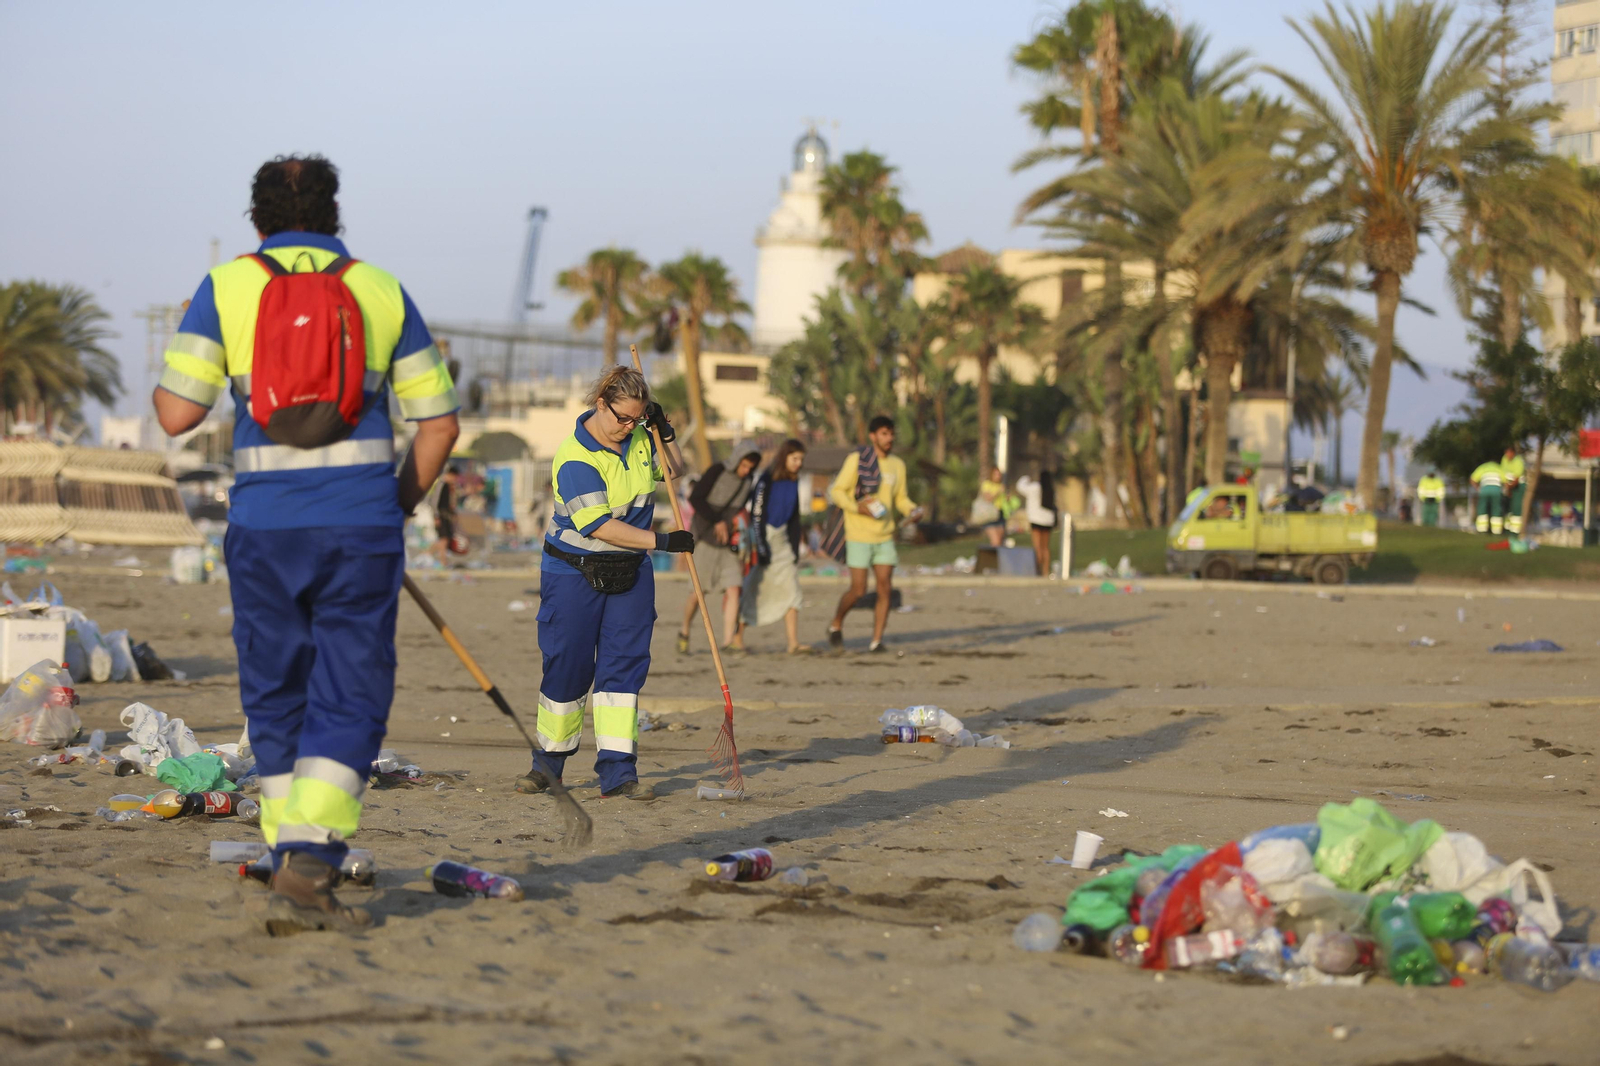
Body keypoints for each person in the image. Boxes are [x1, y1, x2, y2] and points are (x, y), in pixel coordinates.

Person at [152, 155, 460, 934]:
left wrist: (197, 330)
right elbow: (439, 424)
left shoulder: (227, 289)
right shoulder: (379, 288)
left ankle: (288, 848)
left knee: (277, 685)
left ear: (259, 220)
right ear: (333, 216)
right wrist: (395, 507)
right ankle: (311, 856)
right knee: (350, 687)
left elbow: (174, 416)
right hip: (360, 524)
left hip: (263, 529)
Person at [518, 365, 691, 803]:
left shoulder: (637, 439)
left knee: (623, 670)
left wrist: (662, 434)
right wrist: (663, 541)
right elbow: (599, 527)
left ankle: (618, 773)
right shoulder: (575, 457)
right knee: (568, 666)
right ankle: (548, 766)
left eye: (637, 418)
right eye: (622, 418)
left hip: (630, 573)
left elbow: (674, 473)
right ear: (601, 404)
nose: (627, 427)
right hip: (573, 573)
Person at [827, 416, 921, 652]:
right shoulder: (858, 460)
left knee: (885, 588)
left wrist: (912, 509)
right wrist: (855, 507)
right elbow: (837, 491)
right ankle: (836, 624)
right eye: (883, 434)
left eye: (891, 434)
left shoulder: (898, 465)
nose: (888, 438)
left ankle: (876, 640)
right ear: (873, 436)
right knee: (858, 590)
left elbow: (900, 497)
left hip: (885, 536)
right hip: (859, 534)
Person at [677, 449, 761, 655]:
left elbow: (740, 507)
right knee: (698, 594)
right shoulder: (717, 470)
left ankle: (727, 642)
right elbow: (695, 499)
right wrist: (717, 521)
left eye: (750, 468)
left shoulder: (748, 480)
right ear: (736, 461)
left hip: (730, 543)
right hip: (705, 538)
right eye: (743, 466)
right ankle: (684, 631)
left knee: (734, 589)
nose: (746, 471)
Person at [740, 439, 809, 653]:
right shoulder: (766, 479)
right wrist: (761, 547)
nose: (798, 463)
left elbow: (795, 517)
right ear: (784, 457)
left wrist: (796, 549)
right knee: (753, 590)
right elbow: (757, 514)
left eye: (801, 460)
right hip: (765, 538)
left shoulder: (795, 480)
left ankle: (793, 643)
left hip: (783, 543)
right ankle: (736, 637)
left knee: (792, 590)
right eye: (794, 458)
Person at [1015, 464, 1057, 577]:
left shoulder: (1035, 487)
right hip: (1048, 521)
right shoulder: (1050, 490)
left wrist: (1026, 478)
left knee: (1037, 546)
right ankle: (1045, 571)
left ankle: (1037, 570)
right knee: (1045, 547)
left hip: (1036, 520)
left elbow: (1020, 487)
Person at [1470, 456, 1504, 535]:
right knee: (1496, 509)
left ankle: (1482, 530)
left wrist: (1478, 488)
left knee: (1482, 509)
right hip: (1496, 490)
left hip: (1484, 490)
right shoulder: (1498, 467)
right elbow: (1505, 480)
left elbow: (1472, 479)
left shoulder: (1483, 467)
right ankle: (1497, 531)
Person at [1502, 447, 1527, 535]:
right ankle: (1507, 529)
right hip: (1508, 486)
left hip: (1517, 487)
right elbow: (1503, 474)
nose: (1508, 455)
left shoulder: (1518, 461)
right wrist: (1506, 487)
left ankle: (1515, 531)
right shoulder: (1504, 459)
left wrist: (1509, 488)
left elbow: (1516, 479)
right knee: (1507, 508)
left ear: (1513, 453)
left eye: (1509, 453)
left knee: (1517, 508)